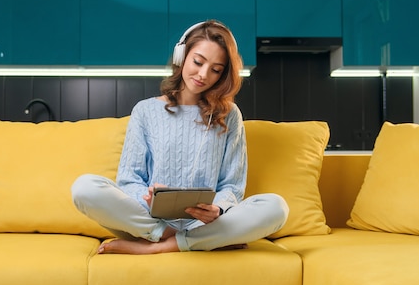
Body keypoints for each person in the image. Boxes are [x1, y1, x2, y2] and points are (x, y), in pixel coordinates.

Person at [71, 20, 288, 254]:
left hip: (207, 223)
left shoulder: (230, 115)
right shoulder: (145, 111)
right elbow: (129, 179)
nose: (203, 75)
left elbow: (232, 185)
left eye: (215, 70)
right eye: (198, 62)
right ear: (181, 56)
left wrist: (218, 209)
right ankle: (184, 238)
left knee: (277, 207)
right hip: (149, 221)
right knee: (85, 188)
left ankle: (159, 247)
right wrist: (148, 196)